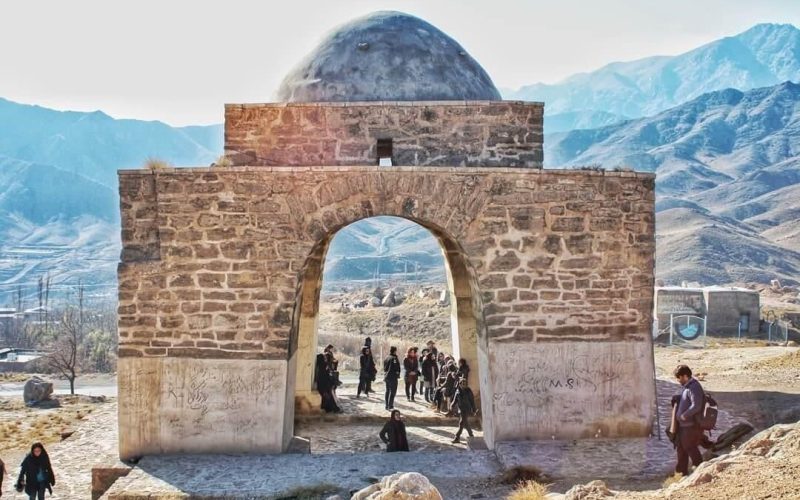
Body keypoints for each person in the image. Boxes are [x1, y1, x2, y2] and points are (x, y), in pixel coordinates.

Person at [673, 364, 706, 475]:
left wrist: (684, 416)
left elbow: (696, 405)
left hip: (691, 426)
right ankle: (682, 473)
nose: (678, 380)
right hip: (684, 426)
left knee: (690, 448)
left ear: (685, 376)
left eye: (679, 377)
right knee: (681, 449)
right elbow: (687, 400)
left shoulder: (694, 387)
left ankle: (702, 472)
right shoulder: (688, 387)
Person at [451, 378, 477, 443]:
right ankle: (471, 435)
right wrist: (452, 406)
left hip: (467, 409)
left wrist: (474, 410)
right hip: (461, 409)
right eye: (461, 383)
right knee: (465, 423)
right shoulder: (457, 391)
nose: (463, 385)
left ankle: (457, 437)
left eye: (464, 383)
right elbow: (455, 400)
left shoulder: (468, 391)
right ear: (459, 384)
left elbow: (472, 401)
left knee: (461, 423)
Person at [383, 346, 401, 410]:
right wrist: (397, 373)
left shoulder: (386, 358)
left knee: (387, 391)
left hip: (386, 376)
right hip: (392, 377)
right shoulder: (394, 358)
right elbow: (396, 367)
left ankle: (386, 405)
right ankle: (390, 405)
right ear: (395, 351)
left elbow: (385, 368)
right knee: (393, 391)